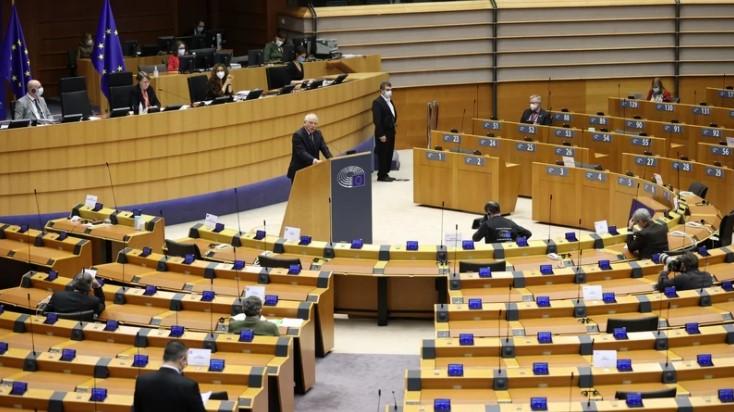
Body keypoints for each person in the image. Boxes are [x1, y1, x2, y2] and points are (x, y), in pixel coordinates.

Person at [133, 341, 206, 412]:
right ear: (182, 359)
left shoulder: (142, 380)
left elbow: (136, 409)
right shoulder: (189, 385)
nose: (186, 364)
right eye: (186, 360)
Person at [287, 113, 333, 182]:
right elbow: (301, 153)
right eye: (311, 123)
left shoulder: (318, 133)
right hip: (300, 170)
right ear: (304, 123)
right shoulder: (298, 135)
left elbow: (324, 148)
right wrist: (314, 160)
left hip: (313, 169)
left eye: (315, 123)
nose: (313, 126)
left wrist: (331, 159)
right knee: (300, 192)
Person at [372, 81, 397, 182]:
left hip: (391, 132)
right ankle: (381, 175)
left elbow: (391, 115)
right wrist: (381, 134)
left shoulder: (390, 101)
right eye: (387, 90)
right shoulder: (377, 102)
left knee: (389, 153)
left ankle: (386, 173)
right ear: (381, 91)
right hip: (383, 133)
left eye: (390, 89)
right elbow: (377, 120)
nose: (389, 92)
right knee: (383, 153)